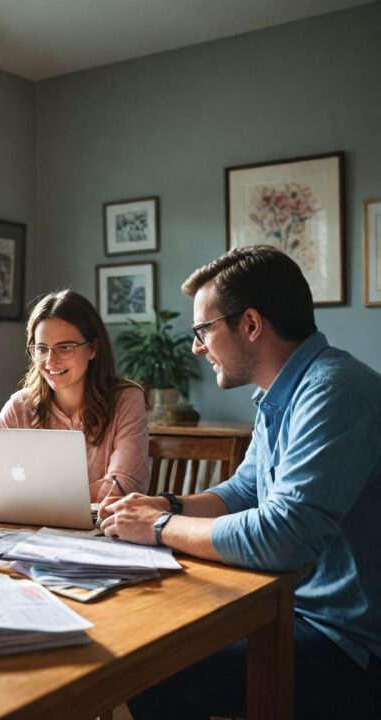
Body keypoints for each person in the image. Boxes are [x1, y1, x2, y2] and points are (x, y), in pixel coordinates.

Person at [99, 245, 381, 719]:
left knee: (155, 668)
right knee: (156, 637)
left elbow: (281, 537)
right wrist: (163, 503)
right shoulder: (281, 391)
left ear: (250, 324)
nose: (195, 347)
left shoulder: (335, 392)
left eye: (203, 330)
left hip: (348, 645)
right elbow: (244, 490)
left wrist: (158, 526)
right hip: (289, 608)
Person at [0, 289, 149, 501]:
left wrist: (40, 498)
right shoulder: (20, 404)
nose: (50, 361)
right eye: (42, 349)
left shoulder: (126, 399)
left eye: (65, 347)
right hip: (29, 525)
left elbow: (124, 486)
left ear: (93, 348)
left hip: (101, 530)